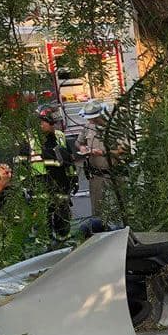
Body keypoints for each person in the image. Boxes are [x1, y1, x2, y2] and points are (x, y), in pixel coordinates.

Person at [18, 107, 75, 239]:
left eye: (54, 123)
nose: (53, 126)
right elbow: (21, 163)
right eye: (51, 123)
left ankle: (64, 239)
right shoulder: (28, 137)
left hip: (61, 181)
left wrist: (74, 179)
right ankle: (45, 244)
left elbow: (69, 160)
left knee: (63, 213)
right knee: (43, 216)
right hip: (39, 181)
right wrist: (25, 185)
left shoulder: (60, 135)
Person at [76, 101, 112, 217]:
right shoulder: (88, 126)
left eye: (92, 118)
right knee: (98, 210)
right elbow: (78, 142)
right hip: (95, 175)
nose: (89, 120)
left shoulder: (113, 126)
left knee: (118, 207)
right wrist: (82, 147)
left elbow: (123, 150)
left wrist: (102, 152)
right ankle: (100, 230)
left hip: (113, 174)